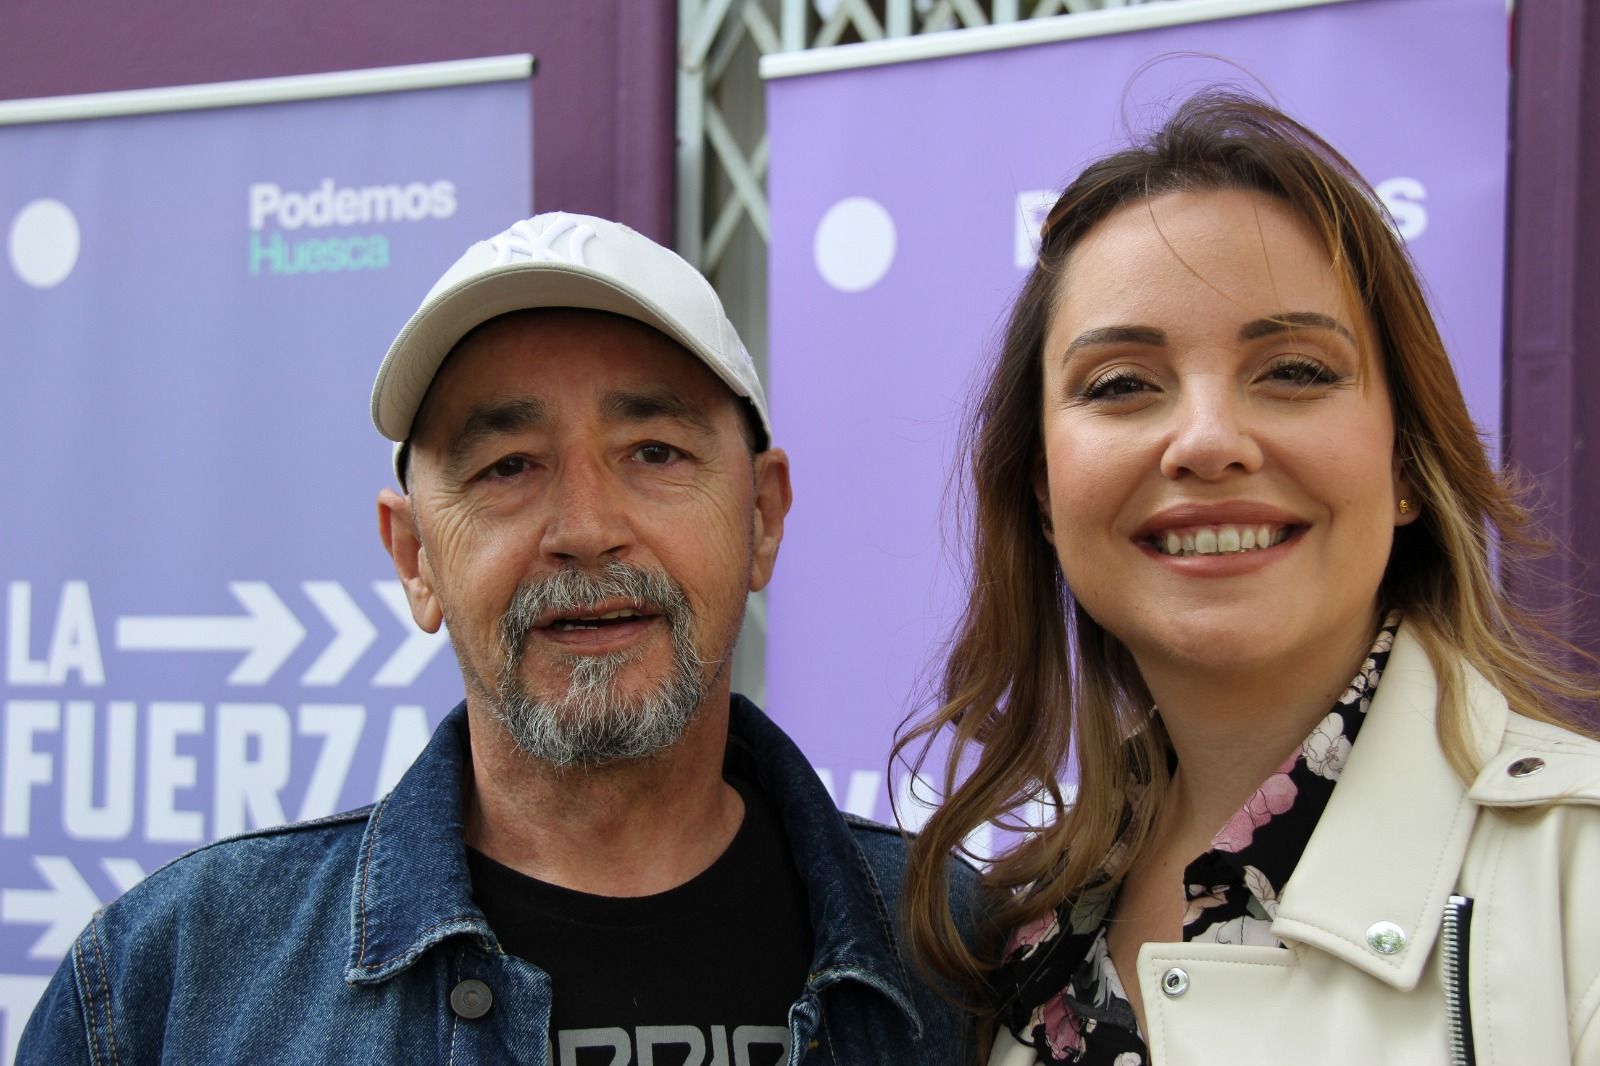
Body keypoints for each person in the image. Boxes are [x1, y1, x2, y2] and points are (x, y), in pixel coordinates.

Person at [20, 211, 980, 1064]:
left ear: (762, 517)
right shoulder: (170, 983)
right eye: (507, 466)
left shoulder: (969, 961)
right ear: (415, 557)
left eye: (654, 452)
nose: (586, 528)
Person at [895, 93, 1600, 1065]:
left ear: (1404, 460)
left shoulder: (1578, 885)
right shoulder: (999, 941)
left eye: (1295, 370)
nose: (1209, 439)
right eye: (1121, 384)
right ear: (1045, 492)